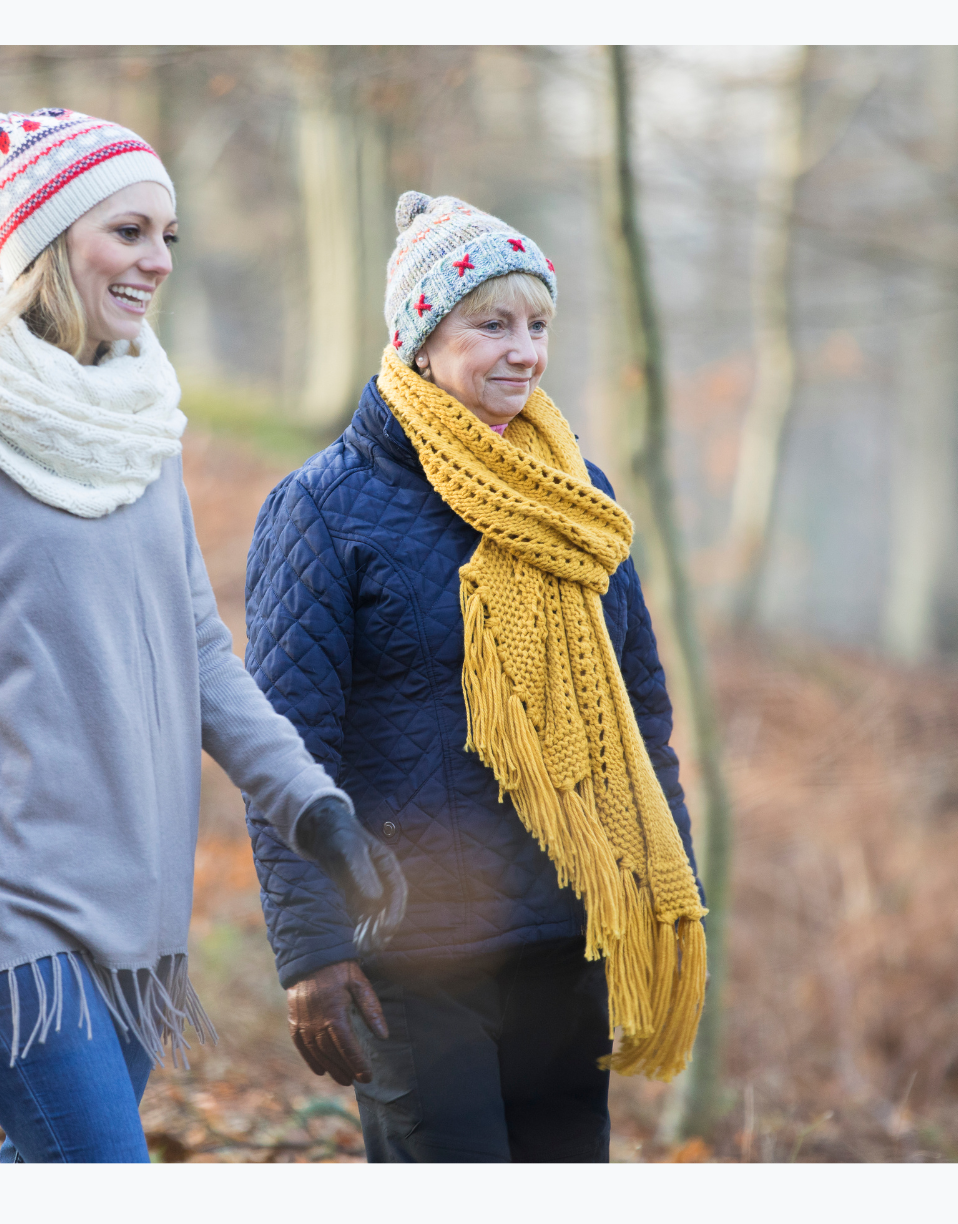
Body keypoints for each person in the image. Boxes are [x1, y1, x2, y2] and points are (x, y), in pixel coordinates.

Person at [0, 108, 405, 1164]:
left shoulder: (140, 434)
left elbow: (200, 656)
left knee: (53, 1163)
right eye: (128, 232)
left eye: (166, 237)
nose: (156, 262)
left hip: (134, 884)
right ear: (47, 239)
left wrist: (315, 810)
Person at [242, 192, 708, 1163]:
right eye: (489, 323)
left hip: (564, 932)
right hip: (411, 950)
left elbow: (638, 706)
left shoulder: (575, 493)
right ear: (420, 337)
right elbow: (282, 747)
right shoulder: (323, 509)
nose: (522, 350)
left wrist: (664, 889)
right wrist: (312, 947)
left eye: (536, 324)